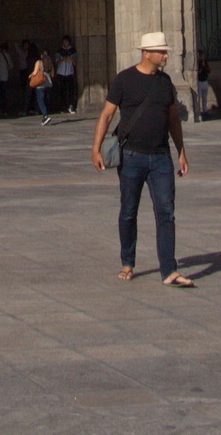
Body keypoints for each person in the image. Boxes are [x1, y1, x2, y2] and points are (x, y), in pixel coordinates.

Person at [91, 31, 194, 288]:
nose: (165, 56)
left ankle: (169, 270)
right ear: (146, 53)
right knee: (128, 211)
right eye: (161, 52)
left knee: (166, 213)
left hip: (161, 157)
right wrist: (96, 148)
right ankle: (127, 262)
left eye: (165, 51)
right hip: (131, 157)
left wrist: (181, 152)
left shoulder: (165, 82)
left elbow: (173, 119)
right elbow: (106, 115)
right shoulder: (124, 80)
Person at [28, 48, 53, 122]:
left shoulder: (39, 62)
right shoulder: (50, 62)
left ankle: (45, 115)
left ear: (41, 55)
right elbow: (52, 74)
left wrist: (30, 75)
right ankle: (47, 114)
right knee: (46, 100)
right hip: (48, 83)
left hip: (41, 83)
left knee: (40, 100)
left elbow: (35, 72)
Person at [55, 36, 78, 113]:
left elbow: (75, 63)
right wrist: (63, 59)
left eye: (66, 42)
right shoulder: (59, 51)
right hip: (61, 73)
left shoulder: (72, 50)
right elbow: (56, 62)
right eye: (64, 42)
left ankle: (71, 106)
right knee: (62, 90)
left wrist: (71, 59)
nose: (65, 43)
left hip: (70, 73)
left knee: (71, 90)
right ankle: (63, 106)